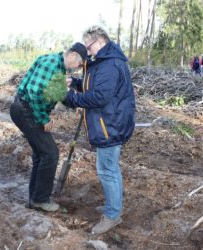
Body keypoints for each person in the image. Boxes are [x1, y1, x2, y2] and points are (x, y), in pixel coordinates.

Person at [64, 26, 135, 235]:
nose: (87, 51)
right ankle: (114, 206)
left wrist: (71, 98)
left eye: (89, 46)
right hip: (109, 123)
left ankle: (112, 215)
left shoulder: (110, 64)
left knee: (107, 171)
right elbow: (94, 86)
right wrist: (76, 83)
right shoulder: (103, 62)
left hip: (110, 126)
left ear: (101, 41)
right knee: (111, 169)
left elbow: (99, 97)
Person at [10, 43, 87, 212]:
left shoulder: (58, 68)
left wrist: (79, 103)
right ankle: (40, 199)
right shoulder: (51, 64)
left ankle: (34, 198)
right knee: (50, 153)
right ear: (73, 55)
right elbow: (34, 92)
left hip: (27, 110)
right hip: (25, 110)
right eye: (80, 63)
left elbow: (57, 95)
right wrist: (43, 118)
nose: (80, 67)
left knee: (41, 154)